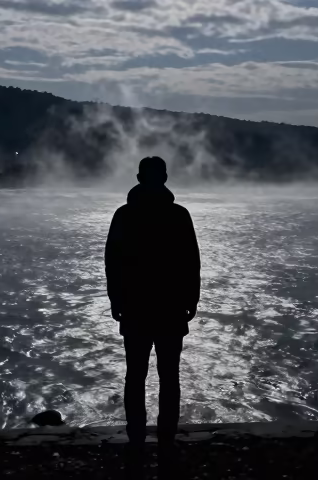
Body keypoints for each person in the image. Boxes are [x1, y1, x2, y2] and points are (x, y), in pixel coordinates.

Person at [105, 156, 201, 447]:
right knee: (169, 375)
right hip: (171, 307)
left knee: (135, 374)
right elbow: (191, 262)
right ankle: (167, 434)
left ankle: (136, 433)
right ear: (165, 178)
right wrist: (191, 299)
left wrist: (116, 299)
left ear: (138, 178)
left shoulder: (124, 215)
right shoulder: (179, 215)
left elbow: (113, 262)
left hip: (135, 306)